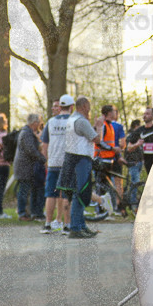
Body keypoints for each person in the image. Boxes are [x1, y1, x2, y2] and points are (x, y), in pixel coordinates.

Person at [57, 95, 103, 239]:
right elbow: (96, 139)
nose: (89, 110)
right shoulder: (82, 121)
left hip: (71, 159)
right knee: (81, 193)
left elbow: (84, 135)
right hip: (81, 161)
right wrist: (100, 127)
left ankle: (81, 226)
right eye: (88, 107)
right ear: (84, 107)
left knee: (79, 193)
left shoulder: (72, 119)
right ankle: (76, 228)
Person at [41, 95, 74, 234]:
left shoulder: (51, 122)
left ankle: (48, 224)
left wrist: (47, 159)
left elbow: (44, 144)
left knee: (50, 194)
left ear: (60, 107)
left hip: (53, 162)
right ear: (71, 107)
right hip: (67, 162)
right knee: (66, 194)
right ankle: (66, 226)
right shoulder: (73, 121)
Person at [13, 113, 46, 221]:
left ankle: (29, 212)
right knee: (23, 191)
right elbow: (31, 150)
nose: (39, 125)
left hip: (26, 167)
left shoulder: (27, 132)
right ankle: (22, 213)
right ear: (34, 123)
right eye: (39, 122)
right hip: (24, 167)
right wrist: (43, 159)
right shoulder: (26, 134)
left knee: (27, 190)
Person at [125, 106, 153, 174]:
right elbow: (129, 148)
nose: (145, 115)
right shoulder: (139, 131)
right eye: (144, 114)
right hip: (147, 162)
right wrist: (137, 144)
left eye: (147, 114)